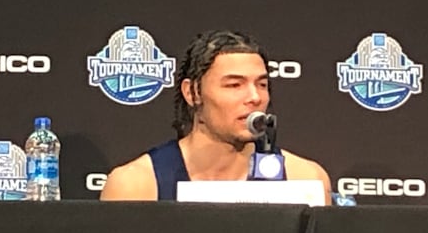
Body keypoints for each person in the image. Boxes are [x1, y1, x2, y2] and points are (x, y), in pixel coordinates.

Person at [101, 29, 332, 203]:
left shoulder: (305, 179)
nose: (254, 97)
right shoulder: (136, 186)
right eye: (234, 85)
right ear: (192, 93)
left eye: (262, 84)